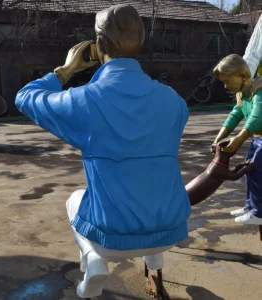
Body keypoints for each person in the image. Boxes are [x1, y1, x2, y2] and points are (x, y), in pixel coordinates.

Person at [15, 4, 190, 298]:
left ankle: (94, 260)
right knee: (149, 181)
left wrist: (66, 70)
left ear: (97, 46)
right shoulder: (174, 102)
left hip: (114, 237)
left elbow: (26, 97)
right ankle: (154, 260)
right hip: (172, 230)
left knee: (74, 200)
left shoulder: (86, 101)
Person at [212, 54, 262, 225]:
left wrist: (239, 139)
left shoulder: (258, 91)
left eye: (228, 81)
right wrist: (219, 138)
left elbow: (256, 118)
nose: (226, 86)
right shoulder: (243, 94)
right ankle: (250, 205)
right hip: (257, 139)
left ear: (242, 75)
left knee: (258, 172)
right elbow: (235, 115)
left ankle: (259, 212)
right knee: (249, 170)